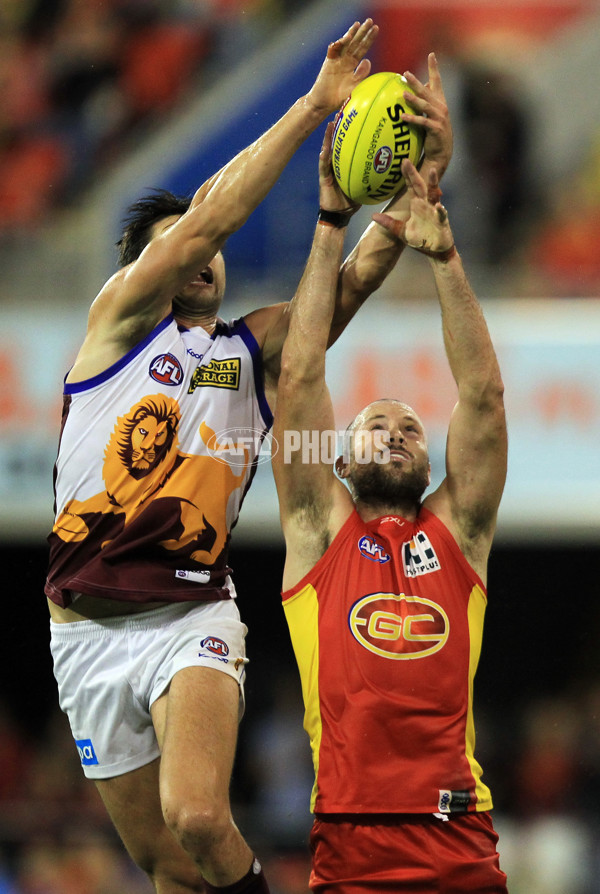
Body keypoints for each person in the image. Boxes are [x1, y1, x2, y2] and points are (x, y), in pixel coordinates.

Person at [44, 20, 380, 894]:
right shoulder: (116, 327)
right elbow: (203, 225)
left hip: (190, 614)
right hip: (82, 634)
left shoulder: (247, 348)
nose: (205, 254)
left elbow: (334, 297)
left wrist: (392, 213)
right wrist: (314, 107)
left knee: (198, 819)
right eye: (183, 243)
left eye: (213, 250)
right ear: (140, 267)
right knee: (162, 863)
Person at [272, 139, 509, 889]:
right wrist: (330, 221)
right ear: (336, 460)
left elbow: (484, 400)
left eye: (410, 428)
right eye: (376, 424)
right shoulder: (317, 527)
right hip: (349, 840)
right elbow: (301, 370)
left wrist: (444, 259)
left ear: (432, 463)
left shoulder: (460, 531)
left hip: (459, 837)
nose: (397, 433)